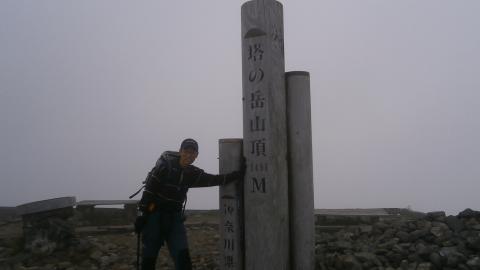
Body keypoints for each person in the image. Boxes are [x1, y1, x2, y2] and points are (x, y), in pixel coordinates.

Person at [134, 138, 245, 270]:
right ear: (180, 151)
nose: (189, 155)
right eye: (186, 151)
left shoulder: (193, 174)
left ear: (196, 155)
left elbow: (215, 179)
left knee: (183, 258)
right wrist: (142, 215)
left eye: (193, 153)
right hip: (154, 216)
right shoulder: (165, 167)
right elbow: (149, 192)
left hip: (175, 218)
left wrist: (238, 174)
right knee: (149, 258)